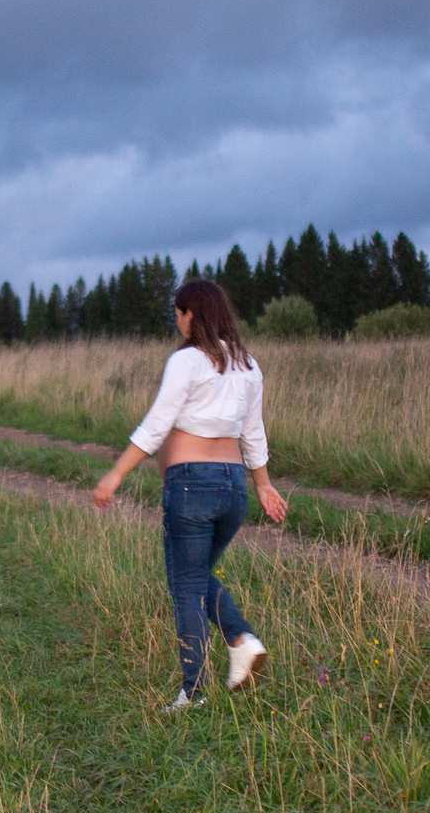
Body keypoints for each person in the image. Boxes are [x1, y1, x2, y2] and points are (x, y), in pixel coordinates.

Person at [92, 278, 288, 709]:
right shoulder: (248, 365)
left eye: (178, 313)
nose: (177, 321)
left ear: (191, 314)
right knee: (195, 576)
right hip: (233, 486)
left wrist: (116, 474)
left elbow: (157, 424)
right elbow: (253, 433)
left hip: (191, 484)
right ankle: (239, 645)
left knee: (186, 585)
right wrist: (263, 484)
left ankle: (199, 685)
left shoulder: (187, 361)